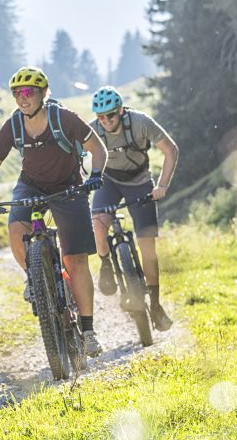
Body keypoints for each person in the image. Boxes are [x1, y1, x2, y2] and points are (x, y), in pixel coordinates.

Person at [0, 66, 107, 357]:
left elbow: (98, 149)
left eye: (29, 92)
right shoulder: (13, 125)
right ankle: (35, 278)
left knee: (75, 260)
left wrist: (95, 175)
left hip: (69, 186)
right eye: (17, 93)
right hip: (31, 185)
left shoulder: (64, 118)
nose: (23, 97)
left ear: (43, 93)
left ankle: (88, 332)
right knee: (16, 228)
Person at [88, 86, 178, 331]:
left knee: (148, 248)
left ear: (120, 110)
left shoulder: (140, 123)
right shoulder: (93, 130)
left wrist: (162, 185)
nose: (106, 121)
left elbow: (171, 150)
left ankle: (156, 306)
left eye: (110, 115)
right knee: (98, 224)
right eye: (100, 116)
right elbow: (73, 157)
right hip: (109, 181)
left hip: (140, 182)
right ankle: (106, 263)